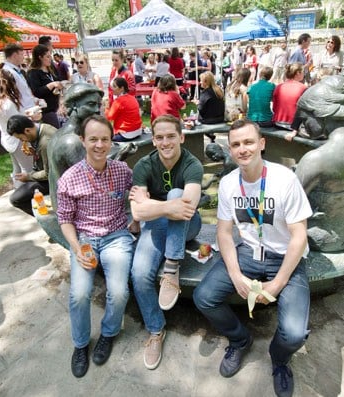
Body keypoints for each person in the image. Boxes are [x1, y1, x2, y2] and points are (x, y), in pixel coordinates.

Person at [193, 120, 312, 397]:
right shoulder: (228, 183)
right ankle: (239, 339)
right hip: (247, 252)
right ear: (230, 149)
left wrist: (278, 283)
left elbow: (299, 236)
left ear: (262, 144)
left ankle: (280, 359)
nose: (242, 149)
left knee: (294, 334)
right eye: (235, 144)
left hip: (285, 257)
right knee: (204, 297)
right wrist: (235, 275)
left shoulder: (284, 180)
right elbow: (223, 232)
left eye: (248, 142)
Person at [57, 115, 136, 378]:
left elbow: (138, 195)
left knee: (119, 292)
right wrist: (76, 247)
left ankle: (108, 333)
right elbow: (65, 219)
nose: (100, 145)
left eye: (104, 139)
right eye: (93, 139)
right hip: (85, 240)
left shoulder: (123, 171)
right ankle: (80, 345)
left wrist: (135, 219)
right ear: (82, 140)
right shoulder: (69, 178)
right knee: (79, 294)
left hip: (116, 236)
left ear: (112, 140)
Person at [129, 114, 203, 370]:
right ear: (153, 140)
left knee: (176, 193)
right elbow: (137, 214)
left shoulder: (192, 164)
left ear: (181, 137)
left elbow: (187, 208)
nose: (165, 142)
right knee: (139, 275)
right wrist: (167, 208)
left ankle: (172, 267)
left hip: (188, 225)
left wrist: (150, 204)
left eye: (171, 136)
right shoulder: (143, 166)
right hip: (156, 224)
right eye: (159, 137)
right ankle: (155, 330)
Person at [47, 83, 104, 210]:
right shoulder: (72, 142)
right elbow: (96, 181)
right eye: (91, 104)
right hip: (74, 212)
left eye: (98, 105)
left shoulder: (58, 134)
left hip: (64, 204)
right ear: (73, 105)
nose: (96, 110)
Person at [0, 69, 34, 190]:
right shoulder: (7, 103)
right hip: (17, 140)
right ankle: (25, 194)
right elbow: (17, 122)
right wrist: (30, 115)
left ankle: (19, 192)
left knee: (17, 168)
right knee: (27, 171)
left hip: (7, 139)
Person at [6, 115, 56, 216]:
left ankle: (50, 217)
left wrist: (28, 177)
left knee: (16, 199)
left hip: (56, 179)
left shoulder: (45, 142)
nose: (22, 141)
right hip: (52, 173)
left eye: (20, 138)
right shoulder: (43, 128)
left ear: (27, 130)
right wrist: (35, 153)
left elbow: (48, 173)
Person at [27, 44, 64, 128]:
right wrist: (51, 85)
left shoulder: (51, 69)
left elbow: (59, 80)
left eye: (50, 56)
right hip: (47, 111)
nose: (50, 59)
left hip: (58, 107)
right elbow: (37, 92)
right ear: (40, 57)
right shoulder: (33, 73)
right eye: (47, 57)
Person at [104, 77, 143, 142]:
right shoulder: (132, 98)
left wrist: (106, 107)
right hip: (138, 131)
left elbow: (109, 118)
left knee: (102, 136)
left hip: (125, 134)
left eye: (114, 86)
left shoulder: (119, 101)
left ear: (122, 88)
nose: (112, 89)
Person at [272, 63, 307, 134]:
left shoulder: (279, 86)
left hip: (278, 123)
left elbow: (274, 108)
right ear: (298, 73)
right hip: (293, 126)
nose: (304, 74)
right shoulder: (303, 88)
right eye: (303, 72)